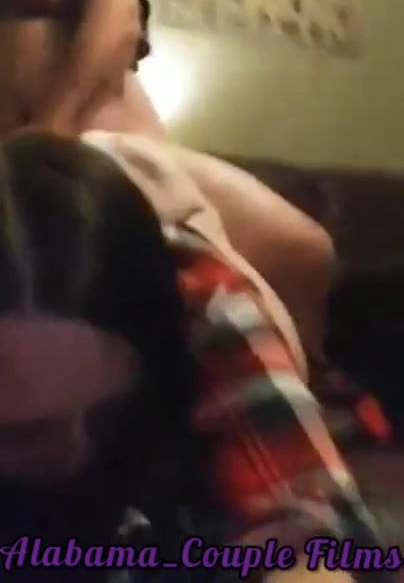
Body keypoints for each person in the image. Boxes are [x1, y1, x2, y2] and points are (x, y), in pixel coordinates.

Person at [0, 130, 390, 583]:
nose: (76, 452)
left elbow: (307, 534)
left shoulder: (198, 306)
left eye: (107, 415)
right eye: (23, 433)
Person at [0, 0, 334, 357]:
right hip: (28, 175)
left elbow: (118, 22)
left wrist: (52, 135)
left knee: (303, 250)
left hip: (130, 155)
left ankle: (302, 385)